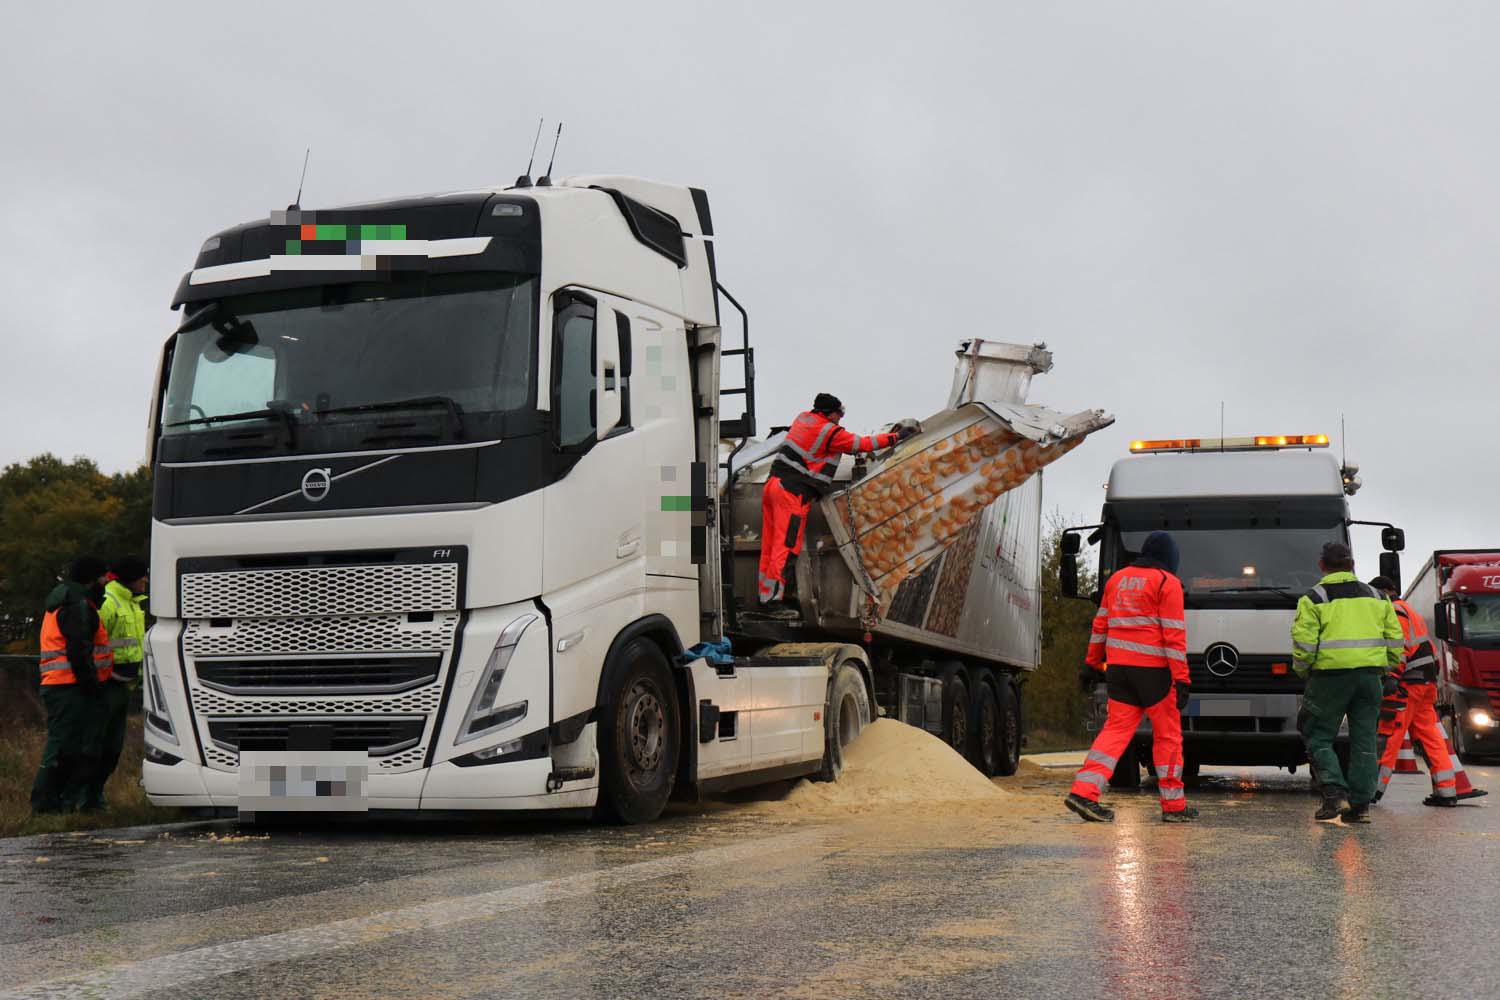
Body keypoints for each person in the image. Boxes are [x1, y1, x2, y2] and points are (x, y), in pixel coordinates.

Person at [1065, 531, 1197, 823]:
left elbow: (1100, 625)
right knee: (1168, 736)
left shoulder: (1117, 579)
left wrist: (1091, 663)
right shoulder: (1167, 583)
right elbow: (1174, 637)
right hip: (1154, 673)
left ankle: (1084, 793)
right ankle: (1174, 807)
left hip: (1119, 671)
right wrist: (1182, 678)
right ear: (1169, 558)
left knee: (1115, 732)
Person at [758, 393, 914, 615]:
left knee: (770, 546)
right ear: (830, 414)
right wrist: (896, 437)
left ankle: (765, 597)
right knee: (786, 547)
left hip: (773, 486)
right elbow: (862, 444)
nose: (840, 419)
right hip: (792, 494)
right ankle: (773, 603)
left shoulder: (803, 418)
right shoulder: (830, 432)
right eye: (839, 414)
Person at [1290, 543, 1403, 824]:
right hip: (1369, 678)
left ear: (1321, 565)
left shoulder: (1314, 598)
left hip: (1329, 678)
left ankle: (1333, 793)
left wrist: (1304, 672)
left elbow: (1304, 646)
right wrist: (1385, 669)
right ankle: (1360, 806)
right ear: (1352, 565)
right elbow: (1395, 640)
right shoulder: (1378, 597)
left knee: (1316, 733)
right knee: (1364, 739)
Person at [1368, 575, 1486, 807]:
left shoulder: (1394, 612)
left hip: (1406, 685)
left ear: (1383, 592)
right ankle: (1447, 792)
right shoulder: (1411, 612)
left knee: (1389, 734)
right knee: (1431, 737)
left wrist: (1391, 676)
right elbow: (1426, 648)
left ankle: (1372, 790)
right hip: (1424, 684)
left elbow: (1399, 648)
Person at [30, 555, 114, 816]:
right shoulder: (77, 605)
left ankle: (56, 804)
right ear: (92, 579)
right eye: (103, 578)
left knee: (68, 746)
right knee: (64, 746)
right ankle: (45, 807)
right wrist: (92, 686)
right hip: (71, 687)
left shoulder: (66, 600)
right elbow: (79, 650)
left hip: (63, 686)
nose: (105, 583)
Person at [88, 556, 149, 811]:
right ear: (130, 578)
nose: (146, 580)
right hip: (106, 687)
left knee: (112, 749)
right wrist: (101, 679)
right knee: (96, 745)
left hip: (126, 685)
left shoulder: (133, 603)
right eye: (142, 576)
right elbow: (91, 644)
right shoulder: (109, 602)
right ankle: (85, 799)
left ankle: (93, 797)